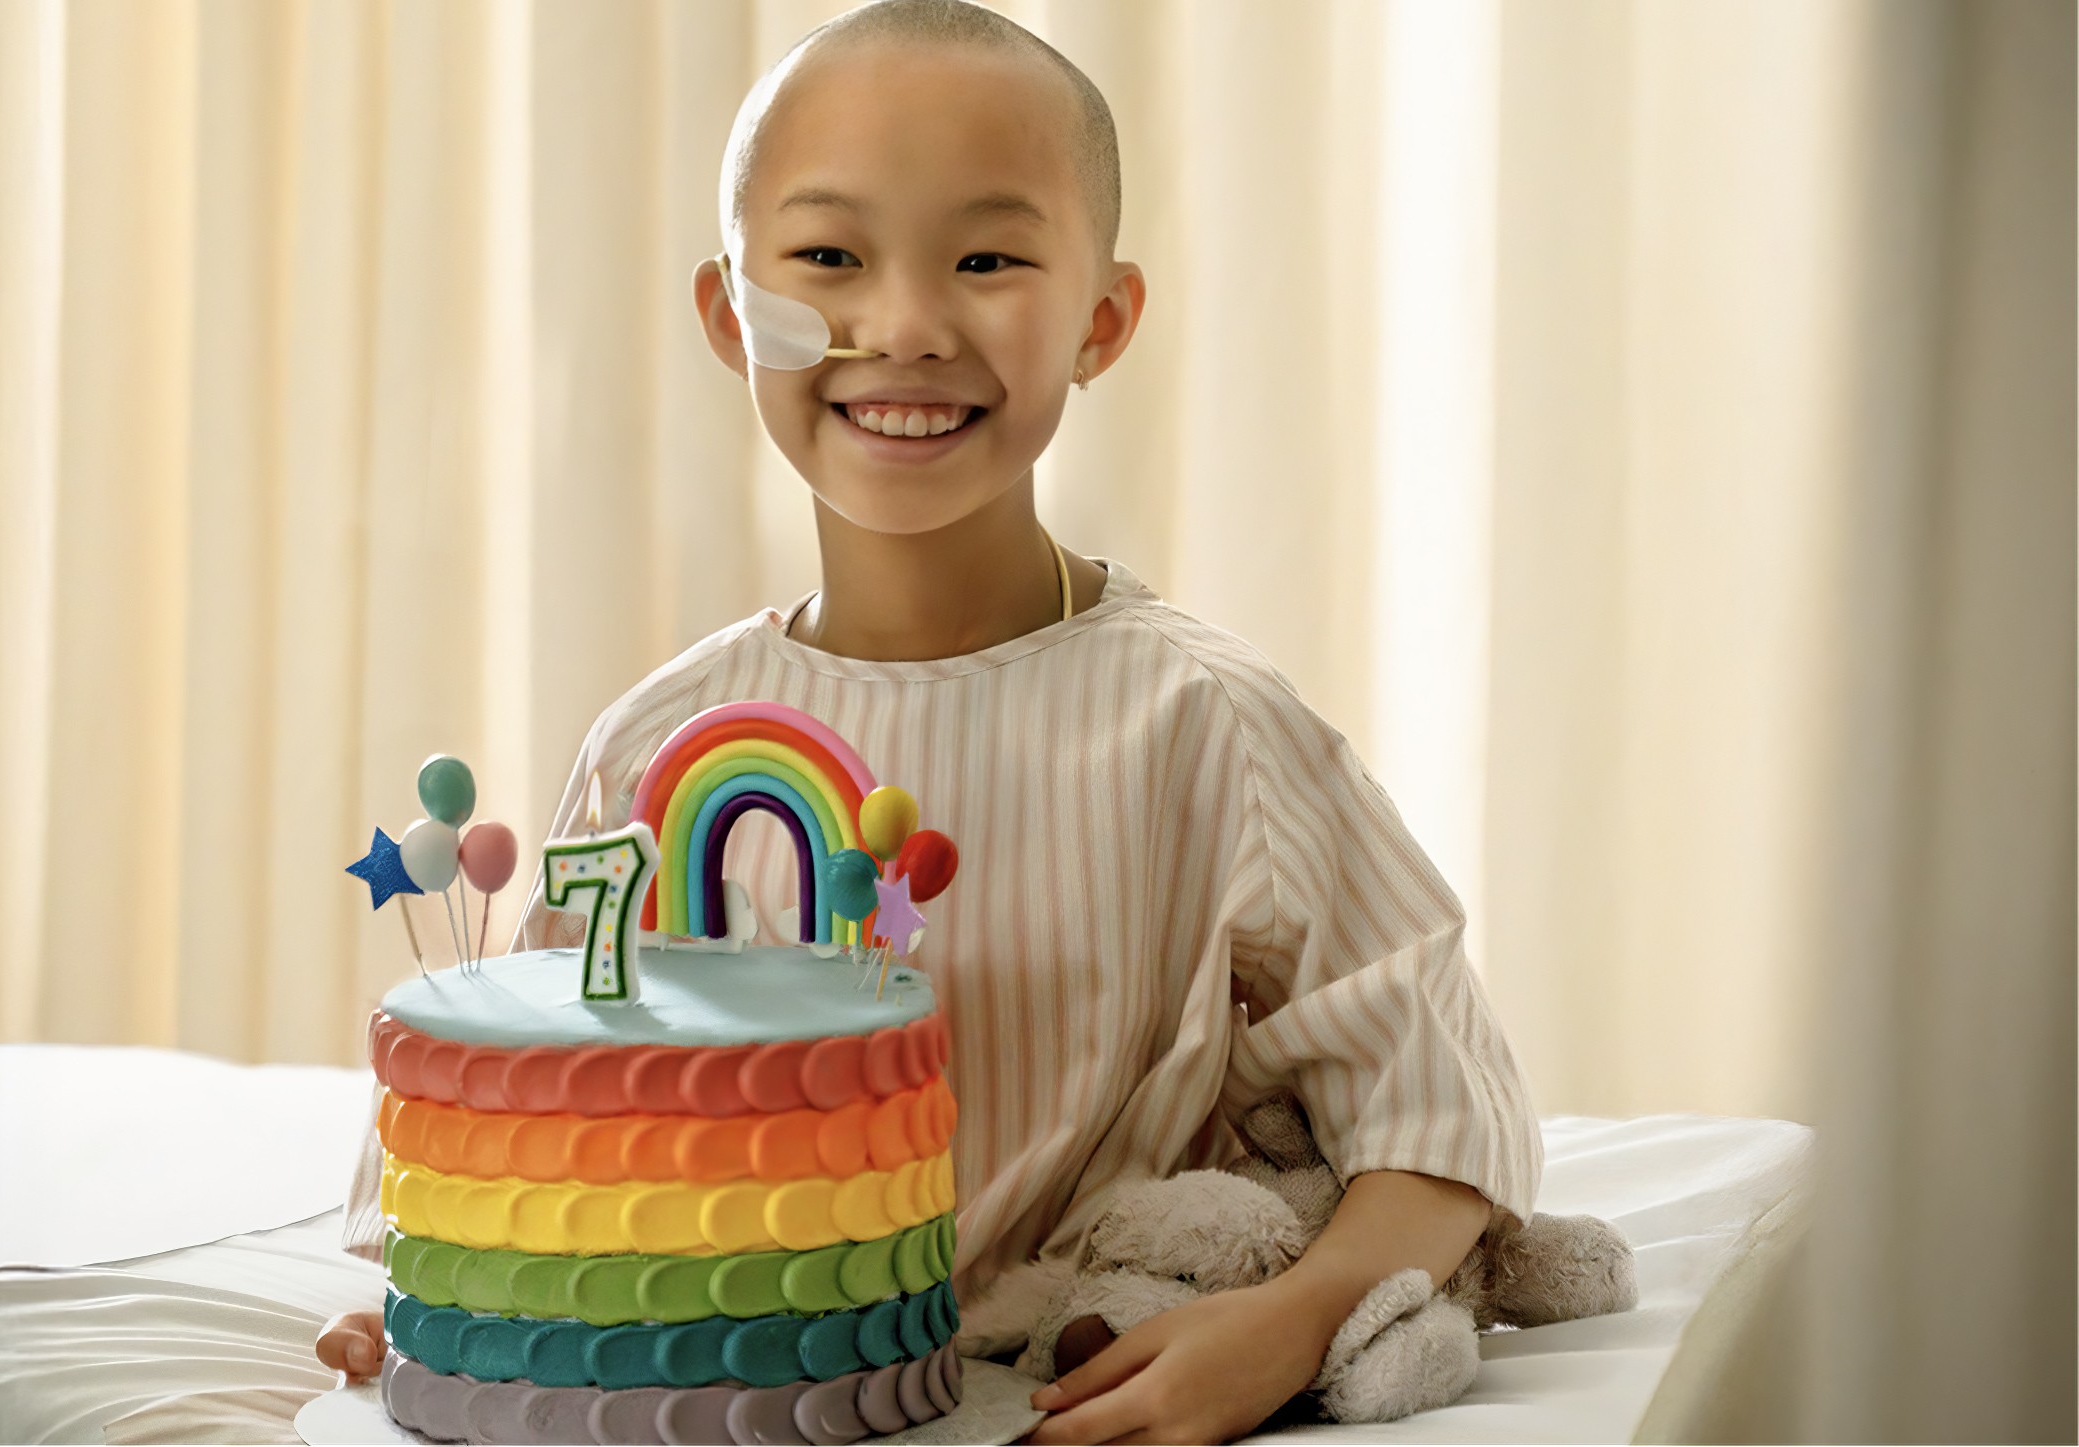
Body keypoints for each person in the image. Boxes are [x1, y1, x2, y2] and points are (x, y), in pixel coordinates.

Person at [319, 3, 1541, 1441]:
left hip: (1045, 1383)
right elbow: (536, 1110)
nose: (901, 326)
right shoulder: (662, 741)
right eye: (828, 256)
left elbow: (1442, 1104)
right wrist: (473, 1294)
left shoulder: (1203, 725)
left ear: (1100, 322)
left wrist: (1289, 1319)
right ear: (730, 315)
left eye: (986, 258)